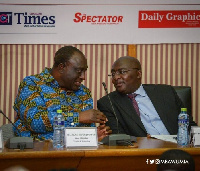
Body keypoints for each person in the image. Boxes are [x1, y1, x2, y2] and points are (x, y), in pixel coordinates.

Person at [13, 46, 111, 141]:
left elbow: (85, 129)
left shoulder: (83, 92)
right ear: (61, 67)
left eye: (84, 71)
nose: (83, 77)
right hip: (38, 152)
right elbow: (34, 121)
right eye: (78, 71)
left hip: (76, 153)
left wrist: (94, 136)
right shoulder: (32, 84)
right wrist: (77, 117)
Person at [97, 56, 197, 137]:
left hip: (178, 147)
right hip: (143, 153)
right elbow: (118, 136)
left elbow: (189, 125)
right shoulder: (108, 103)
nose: (116, 77)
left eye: (122, 72)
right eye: (113, 74)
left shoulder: (166, 92)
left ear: (138, 74)